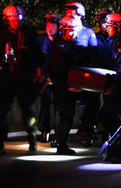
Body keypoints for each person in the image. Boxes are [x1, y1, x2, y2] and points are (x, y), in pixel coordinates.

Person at [0, 5, 43, 156]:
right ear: (7, 20)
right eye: (13, 19)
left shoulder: (29, 34)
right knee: (2, 111)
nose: (17, 22)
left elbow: (37, 54)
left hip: (25, 78)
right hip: (8, 78)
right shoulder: (2, 38)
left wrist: (39, 70)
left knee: (28, 110)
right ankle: (0, 143)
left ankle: (32, 139)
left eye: (19, 18)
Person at [96, 12, 121, 141]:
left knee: (105, 114)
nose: (107, 29)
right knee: (109, 114)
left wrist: (115, 85)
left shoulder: (119, 43)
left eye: (109, 26)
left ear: (117, 27)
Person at [64, 1, 100, 145]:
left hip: (84, 76)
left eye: (72, 13)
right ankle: (62, 138)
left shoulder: (88, 33)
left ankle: (86, 128)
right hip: (67, 76)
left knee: (93, 101)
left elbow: (94, 56)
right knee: (65, 109)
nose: (70, 16)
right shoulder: (64, 30)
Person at [50, 15, 86, 155]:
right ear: (64, 30)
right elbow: (57, 72)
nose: (74, 33)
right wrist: (66, 86)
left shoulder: (70, 44)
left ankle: (61, 142)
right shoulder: (60, 48)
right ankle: (61, 144)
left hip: (69, 86)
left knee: (67, 116)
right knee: (66, 116)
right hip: (64, 88)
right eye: (72, 30)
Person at [37, 13, 60, 143]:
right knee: (45, 104)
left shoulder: (62, 41)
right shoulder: (41, 40)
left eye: (52, 25)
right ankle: (45, 129)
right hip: (45, 79)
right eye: (47, 25)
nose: (49, 28)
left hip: (58, 79)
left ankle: (58, 132)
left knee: (58, 106)